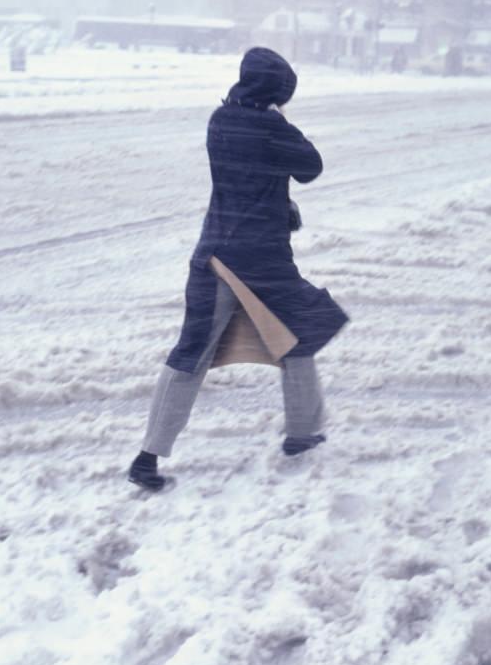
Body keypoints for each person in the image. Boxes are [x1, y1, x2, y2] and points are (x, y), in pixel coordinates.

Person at [128, 46, 349, 492]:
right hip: (262, 259)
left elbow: (245, 174)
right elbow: (311, 165)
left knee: (191, 353)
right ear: (276, 91)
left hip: (213, 253)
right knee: (298, 332)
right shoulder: (271, 127)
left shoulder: (220, 120)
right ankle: (302, 433)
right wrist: (279, 123)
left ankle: (147, 456)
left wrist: (278, 199)